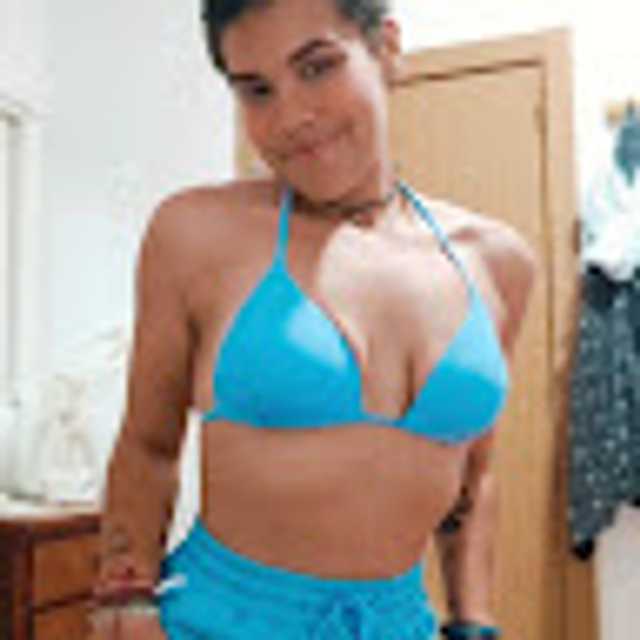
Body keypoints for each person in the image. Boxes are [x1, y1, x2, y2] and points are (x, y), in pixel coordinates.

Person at [89, 0, 536, 638]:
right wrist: (124, 607)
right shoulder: (195, 233)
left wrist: (474, 624)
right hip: (218, 623)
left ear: (386, 48)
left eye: (318, 67)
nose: (292, 117)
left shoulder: (497, 262)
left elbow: (473, 477)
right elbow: (148, 446)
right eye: (257, 90)